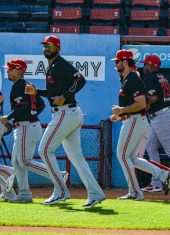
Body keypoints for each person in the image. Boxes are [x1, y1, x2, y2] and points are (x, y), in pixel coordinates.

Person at [25, 35, 105, 207]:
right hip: (68, 113)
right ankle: (96, 193)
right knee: (76, 157)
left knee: (45, 149)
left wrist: (66, 95)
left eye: (50, 45)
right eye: (45, 45)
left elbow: (81, 79)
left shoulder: (60, 63)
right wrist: (36, 92)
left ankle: (61, 191)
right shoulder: (52, 66)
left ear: (58, 48)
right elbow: (54, 95)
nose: (46, 48)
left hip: (65, 113)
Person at [110, 49, 170, 200]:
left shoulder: (132, 78)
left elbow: (141, 103)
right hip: (135, 120)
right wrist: (120, 114)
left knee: (122, 155)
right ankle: (164, 174)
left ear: (125, 62)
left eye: (118, 61)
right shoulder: (129, 78)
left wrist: (122, 110)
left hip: (135, 120)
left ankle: (135, 193)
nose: (116, 64)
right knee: (132, 158)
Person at [1, 58, 69, 203]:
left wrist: (9, 116)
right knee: (16, 161)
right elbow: (41, 104)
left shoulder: (19, 85)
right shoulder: (27, 85)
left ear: (19, 70)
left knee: (24, 161)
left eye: (11, 68)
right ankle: (25, 193)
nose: (8, 70)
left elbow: (22, 106)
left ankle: (58, 175)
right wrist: (31, 114)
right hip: (29, 125)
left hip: (26, 126)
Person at [139, 54, 170, 192]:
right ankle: (156, 182)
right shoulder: (164, 78)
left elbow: (153, 97)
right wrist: (168, 108)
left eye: (146, 64)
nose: (144, 67)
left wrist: (142, 104)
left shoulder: (149, 78)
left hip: (161, 116)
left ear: (152, 65)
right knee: (151, 148)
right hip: (162, 115)